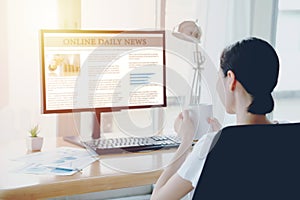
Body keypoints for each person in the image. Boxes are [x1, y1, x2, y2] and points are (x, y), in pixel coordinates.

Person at [150, 37, 280, 200]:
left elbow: (158, 198)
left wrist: (186, 141)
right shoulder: (292, 136)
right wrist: (224, 138)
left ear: (231, 80)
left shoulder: (211, 146)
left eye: (220, 77)